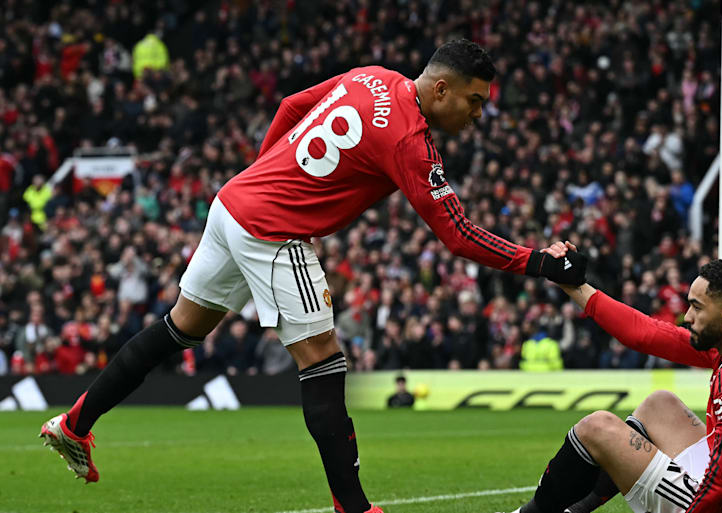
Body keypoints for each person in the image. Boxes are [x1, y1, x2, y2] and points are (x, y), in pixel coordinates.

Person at [38, 39, 587, 513]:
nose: (477, 115)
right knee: (322, 357)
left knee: (180, 328)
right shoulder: (409, 143)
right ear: (441, 90)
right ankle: (355, 507)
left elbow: (290, 105)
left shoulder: (373, 75)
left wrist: (262, 173)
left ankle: (75, 423)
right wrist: (540, 261)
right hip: (272, 229)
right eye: (474, 101)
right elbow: (458, 235)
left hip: (233, 204)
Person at [502, 253, 722, 513]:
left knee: (597, 428)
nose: (687, 316)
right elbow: (644, 333)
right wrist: (575, 286)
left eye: (697, 307)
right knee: (660, 404)